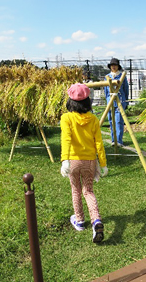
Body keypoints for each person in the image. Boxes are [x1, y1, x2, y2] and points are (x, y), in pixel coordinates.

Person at [60, 83, 108, 243]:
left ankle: (79, 221)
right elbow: (99, 143)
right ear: (88, 101)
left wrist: (65, 160)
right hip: (89, 161)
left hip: (73, 161)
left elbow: (66, 138)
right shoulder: (93, 119)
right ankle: (96, 220)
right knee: (88, 191)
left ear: (70, 101)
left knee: (76, 190)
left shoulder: (66, 118)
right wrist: (103, 163)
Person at [104, 58, 129, 147]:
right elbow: (106, 91)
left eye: (115, 65)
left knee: (118, 121)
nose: (113, 67)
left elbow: (126, 89)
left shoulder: (122, 76)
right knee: (111, 120)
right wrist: (107, 100)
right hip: (110, 101)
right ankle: (113, 140)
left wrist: (126, 101)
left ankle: (119, 140)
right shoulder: (107, 77)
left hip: (120, 100)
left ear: (118, 66)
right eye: (112, 65)